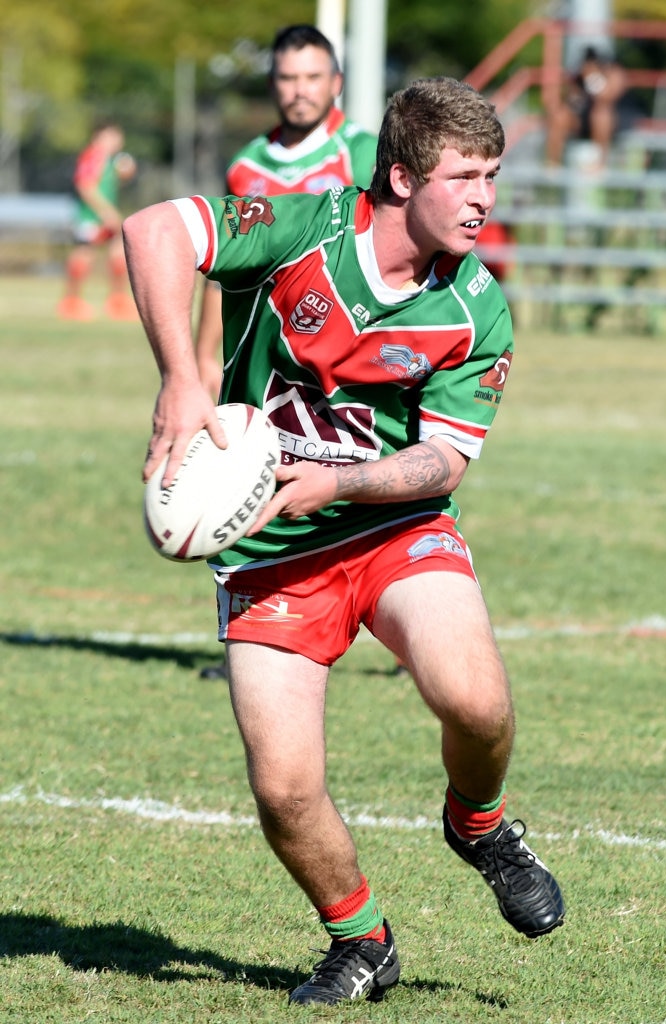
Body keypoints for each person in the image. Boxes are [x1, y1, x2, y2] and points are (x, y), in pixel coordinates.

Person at [123, 76, 565, 1007]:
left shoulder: (476, 306)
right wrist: (181, 380)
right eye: (466, 176)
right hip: (271, 555)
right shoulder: (299, 232)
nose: (486, 197)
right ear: (402, 179)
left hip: (392, 525)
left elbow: (442, 462)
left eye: (494, 174)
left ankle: (479, 825)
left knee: (475, 702)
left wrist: (338, 483)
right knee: (284, 788)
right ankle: (361, 939)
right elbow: (154, 230)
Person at [195, 23, 379, 680]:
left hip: (349, 356)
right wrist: (198, 368)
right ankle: (252, 634)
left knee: (361, 479)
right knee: (236, 486)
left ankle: (402, 612)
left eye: (311, 77)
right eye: (287, 78)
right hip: (264, 357)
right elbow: (223, 267)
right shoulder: (248, 166)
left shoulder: (364, 154)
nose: (299, 91)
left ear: (334, 82)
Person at [57, 120, 138, 322]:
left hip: (103, 217)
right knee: (84, 254)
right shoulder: (93, 155)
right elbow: (85, 186)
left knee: (118, 250)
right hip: (91, 217)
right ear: (99, 136)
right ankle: (71, 303)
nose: (118, 141)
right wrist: (106, 211)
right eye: (113, 136)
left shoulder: (109, 160)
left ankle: (117, 301)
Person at [545, 47, 630, 169]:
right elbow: (572, 101)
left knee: (601, 115)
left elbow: (605, 97)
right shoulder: (579, 76)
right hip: (583, 119)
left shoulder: (615, 72)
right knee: (560, 115)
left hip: (614, 120)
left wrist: (592, 78)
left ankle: (600, 164)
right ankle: (553, 165)